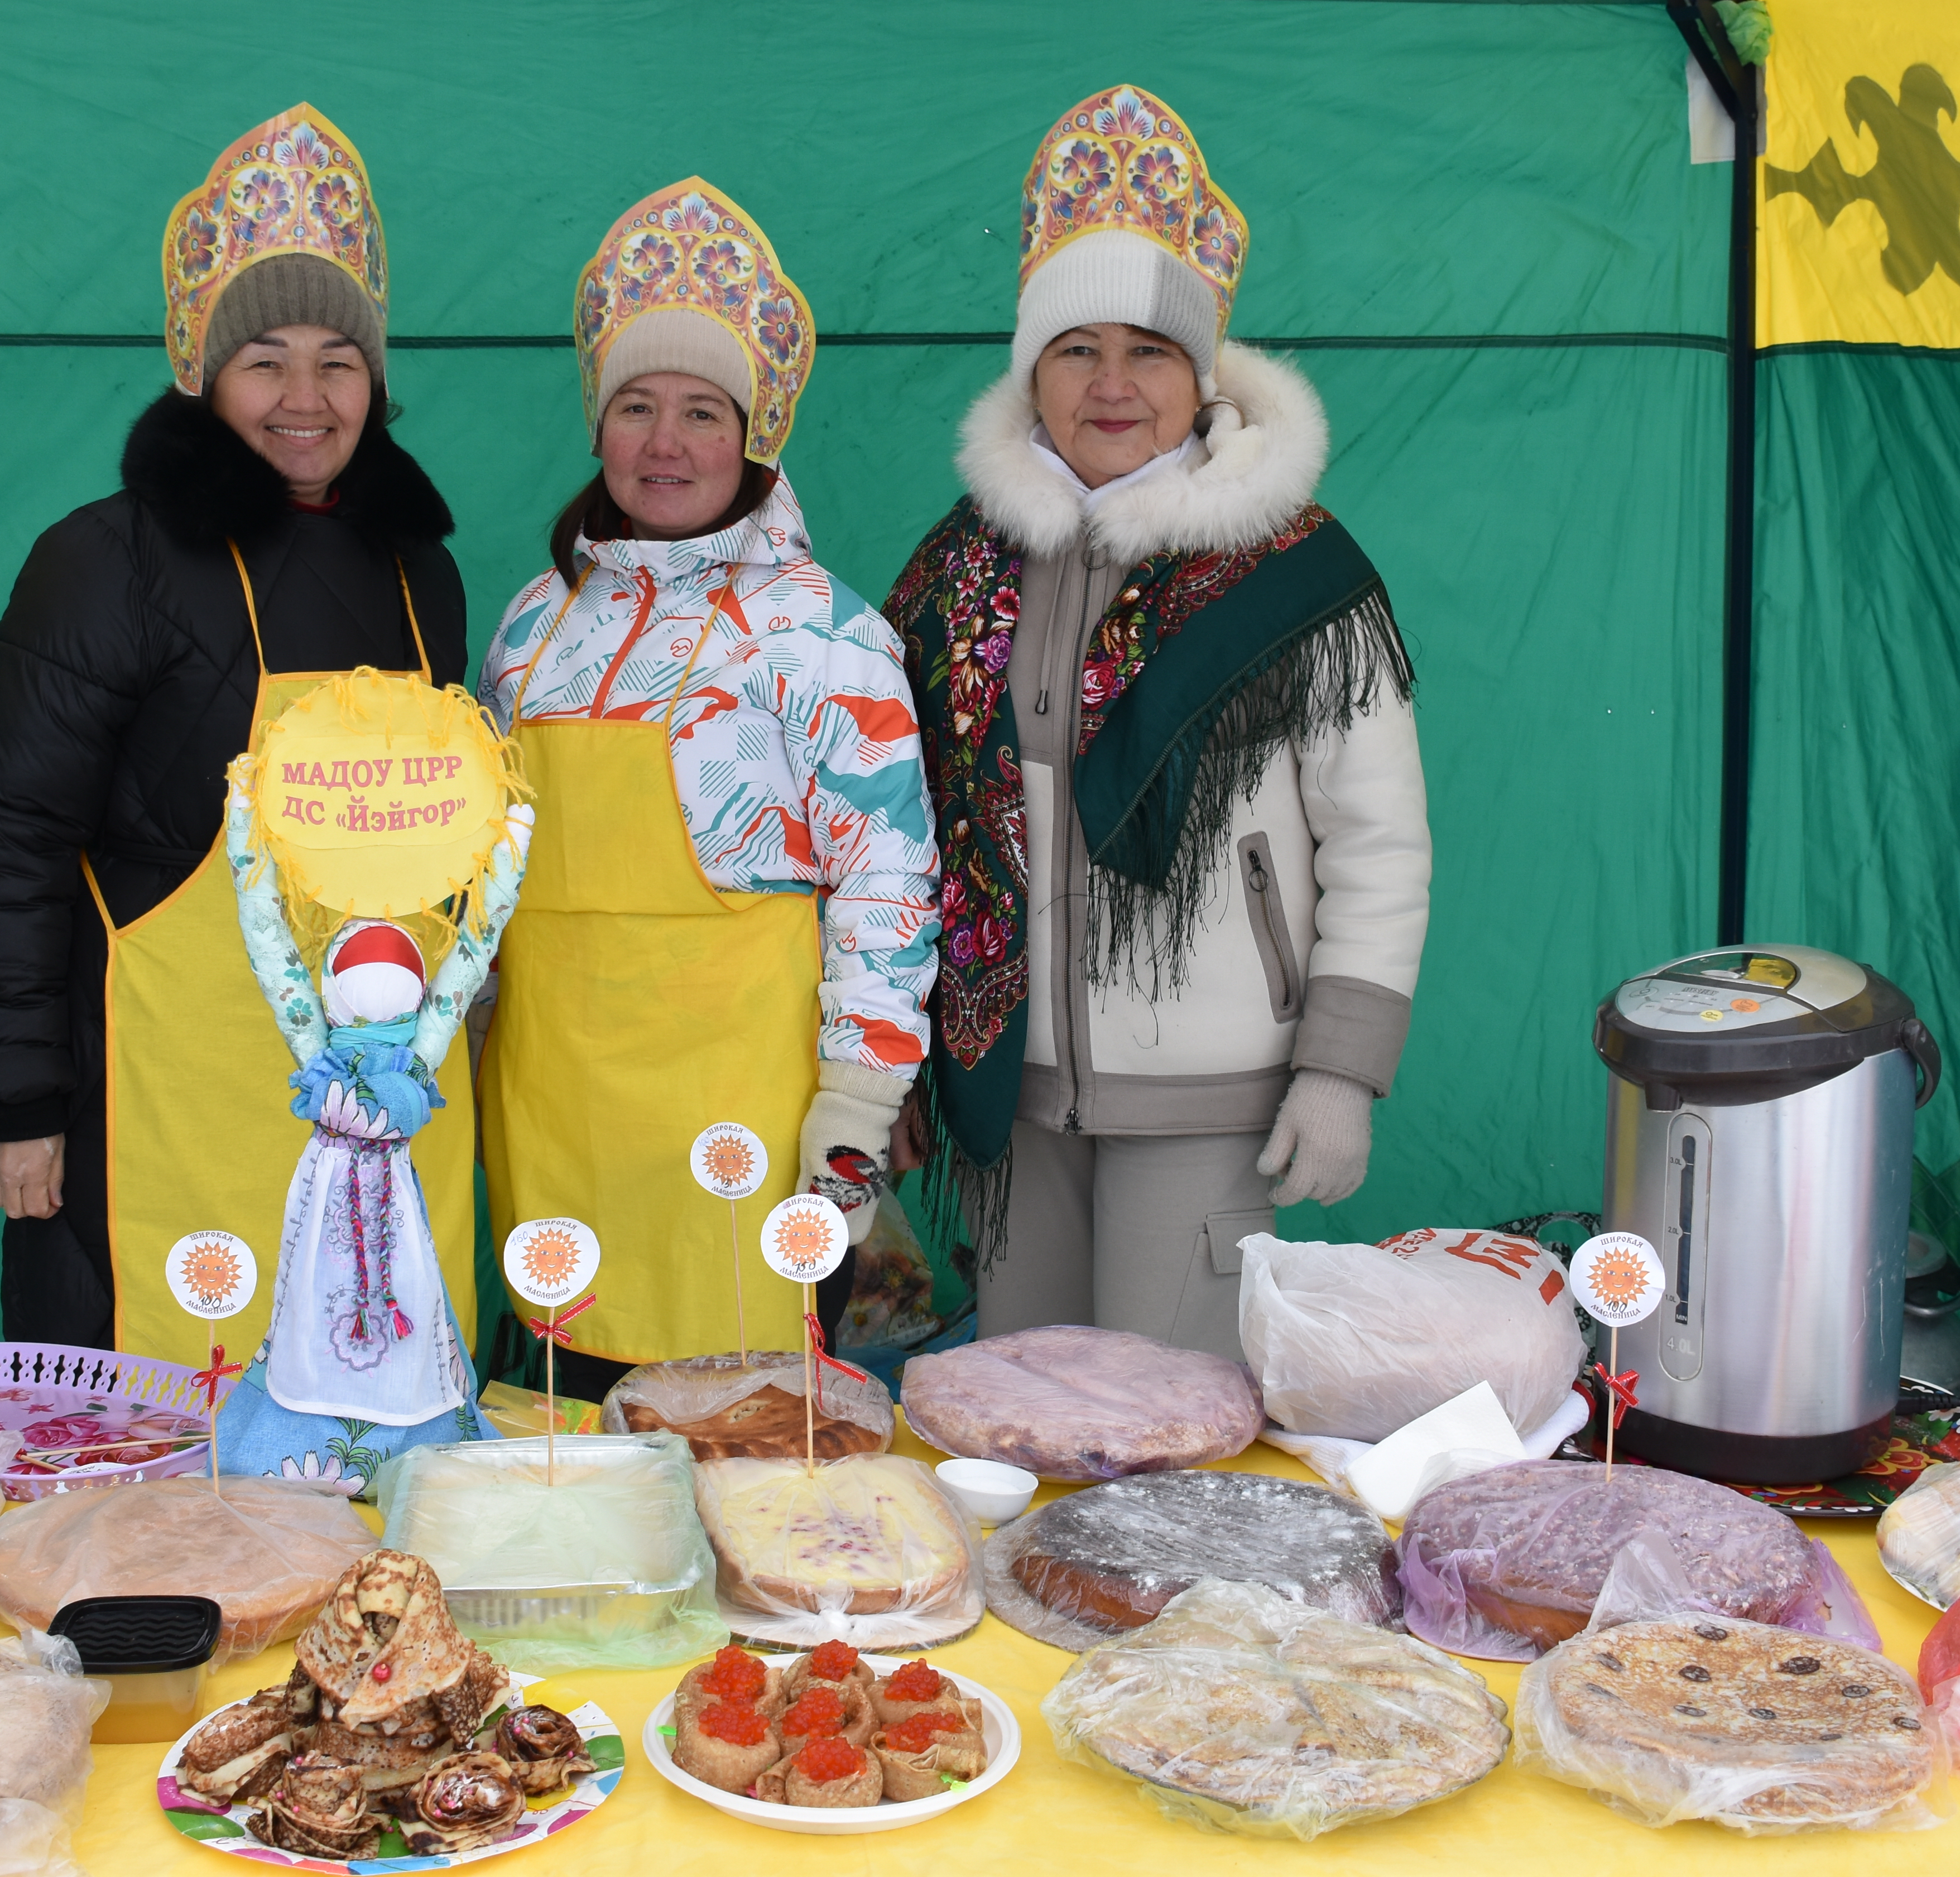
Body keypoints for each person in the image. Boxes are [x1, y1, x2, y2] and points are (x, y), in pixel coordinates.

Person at [0, 104, 484, 1399]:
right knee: (157, 1441)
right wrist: (16, 1100)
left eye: (339, 360)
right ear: (201, 370)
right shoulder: (105, 561)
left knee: (366, 1415)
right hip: (160, 1091)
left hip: (378, 1103)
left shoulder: (425, 574)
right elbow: (11, 833)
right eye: (266, 360)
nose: (306, 400)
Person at [885, 84, 1431, 1360]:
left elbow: (1379, 840)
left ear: (1201, 370)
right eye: (1078, 348)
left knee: (1173, 1457)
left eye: (1151, 349)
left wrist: (1343, 1067)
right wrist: (910, 1062)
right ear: (1033, 371)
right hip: (1009, 1100)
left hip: (1212, 1095)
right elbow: (905, 836)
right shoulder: (958, 570)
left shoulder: (1297, 572)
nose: (1114, 383)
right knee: (1025, 1442)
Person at [477, 179, 937, 1393]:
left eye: (700, 410)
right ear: (598, 424)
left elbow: (888, 873)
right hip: (554, 1100)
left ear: (753, 433)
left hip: (738, 1101)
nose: (665, 441)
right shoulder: (532, 627)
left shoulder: (822, 631)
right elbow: (482, 855)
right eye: (637, 406)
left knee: (745, 1430)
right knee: (568, 1420)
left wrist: (857, 1099)